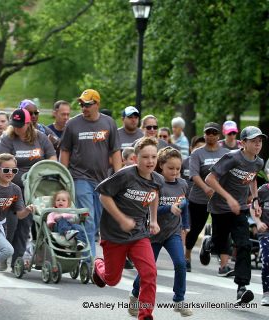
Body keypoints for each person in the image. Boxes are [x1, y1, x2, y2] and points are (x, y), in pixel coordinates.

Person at [93, 137, 163, 320]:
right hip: (114, 234)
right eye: (145, 157)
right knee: (112, 279)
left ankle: (145, 315)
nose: (150, 161)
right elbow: (103, 196)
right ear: (135, 158)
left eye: (154, 157)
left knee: (149, 273)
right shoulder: (125, 175)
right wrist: (121, 219)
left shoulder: (157, 180)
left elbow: (154, 195)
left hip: (138, 234)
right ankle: (98, 265)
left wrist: (153, 220)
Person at [204, 126, 266, 305]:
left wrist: (255, 200)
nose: (257, 144)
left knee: (244, 245)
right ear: (243, 142)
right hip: (220, 208)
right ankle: (209, 242)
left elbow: (252, 178)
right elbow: (210, 179)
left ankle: (241, 288)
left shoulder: (258, 162)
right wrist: (228, 198)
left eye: (260, 141)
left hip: (239, 209)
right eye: (253, 141)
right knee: (220, 243)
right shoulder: (232, 157)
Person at [131, 147, 192, 317]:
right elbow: (150, 208)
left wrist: (186, 225)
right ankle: (135, 294)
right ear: (161, 167)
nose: (174, 172)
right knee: (149, 270)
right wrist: (168, 208)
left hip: (173, 232)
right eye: (170, 168)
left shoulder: (183, 184)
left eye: (178, 169)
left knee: (181, 264)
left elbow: (185, 206)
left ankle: (179, 299)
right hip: (153, 234)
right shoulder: (156, 184)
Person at [59, 89, 122, 258]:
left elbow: (115, 151)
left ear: (97, 104)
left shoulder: (109, 123)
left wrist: (119, 177)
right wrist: (63, 177)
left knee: (98, 223)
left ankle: (79, 249)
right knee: (89, 219)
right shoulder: (72, 124)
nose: (83, 107)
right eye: (81, 104)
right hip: (79, 177)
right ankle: (90, 261)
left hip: (102, 180)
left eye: (87, 104)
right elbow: (64, 151)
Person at [0, 109, 56, 271]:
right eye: (14, 125)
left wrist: (45, 172)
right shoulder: (7, 138)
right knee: (11, 223)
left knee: (25, 224)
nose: (17, 128)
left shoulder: (40, 137)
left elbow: (52, 157)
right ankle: (3, 253)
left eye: (20, 125)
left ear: (28, 124)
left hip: (34, 188)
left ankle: (17, 259)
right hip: (12, 187)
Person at [0, 153, 34, 304]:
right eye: (6, 170)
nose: (10, 173)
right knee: (7, 250)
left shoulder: (15, 189)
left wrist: (28, 209)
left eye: (14, 170)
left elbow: (21, 215)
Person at [184, 122, 229, 273]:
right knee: (195, 229)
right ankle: (187, 257)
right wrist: (206, 188)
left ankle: (223, 265)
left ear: (218, 135)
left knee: (222, 230)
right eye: (208, 133)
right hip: (199, 198)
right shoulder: (197, 153)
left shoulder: (225, 154)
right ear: (204, 134)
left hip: (220, 199)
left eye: (213, 133)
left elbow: (229, 174)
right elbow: (194, 174)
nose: (210, 135)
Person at [251, 182, 269, 306]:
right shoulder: (263, 190)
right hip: (265, 231)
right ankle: (267, 293)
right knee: (267, 258)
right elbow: (252, 207)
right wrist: (257, 222)